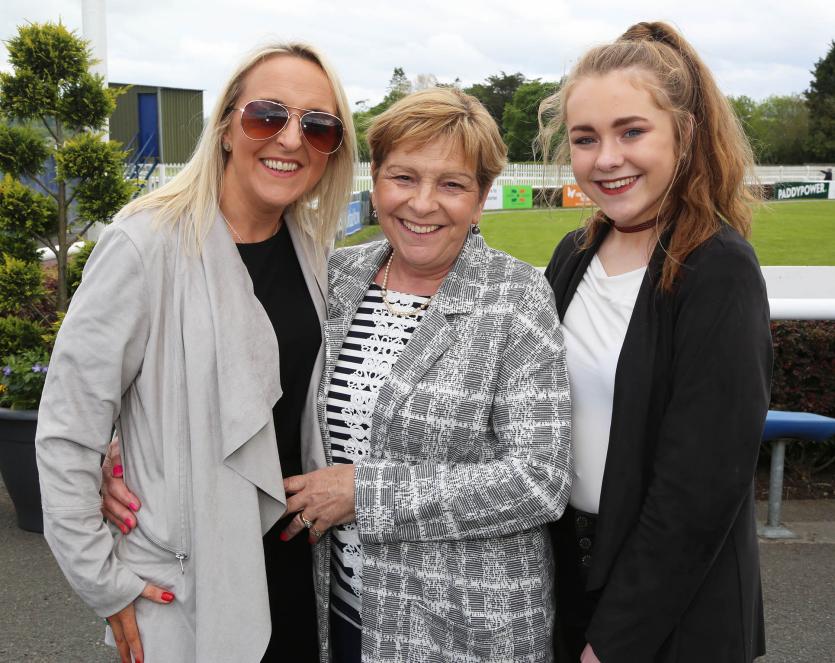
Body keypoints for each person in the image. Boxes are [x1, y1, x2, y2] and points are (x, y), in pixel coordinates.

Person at [35, 42, 355, 663]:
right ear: (228, 126)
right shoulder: (145, 243)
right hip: (188, 587)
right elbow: (67, 431)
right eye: (269, 116)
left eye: (317, 127)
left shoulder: (315, 252)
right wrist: (103, 582)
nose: (291, 139)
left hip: (294, 570)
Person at [277, 88, 573, 662]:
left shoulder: (515, 298)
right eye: (404, 178)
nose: (423, 203)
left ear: (481, 198)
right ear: (376, 180)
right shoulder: (336, 276)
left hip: (464, 630)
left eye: (453, 184)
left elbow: (539, 480)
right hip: (340, 611)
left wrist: (365, 493)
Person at [538, 21, 772, 663]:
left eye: (631, 131)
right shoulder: (575, 252)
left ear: (685, 133)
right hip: (575, 581)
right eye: (586, 139)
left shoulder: (718, 267)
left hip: (674, 612)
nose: (606, 159)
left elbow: (699, 490)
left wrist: (612, 643)